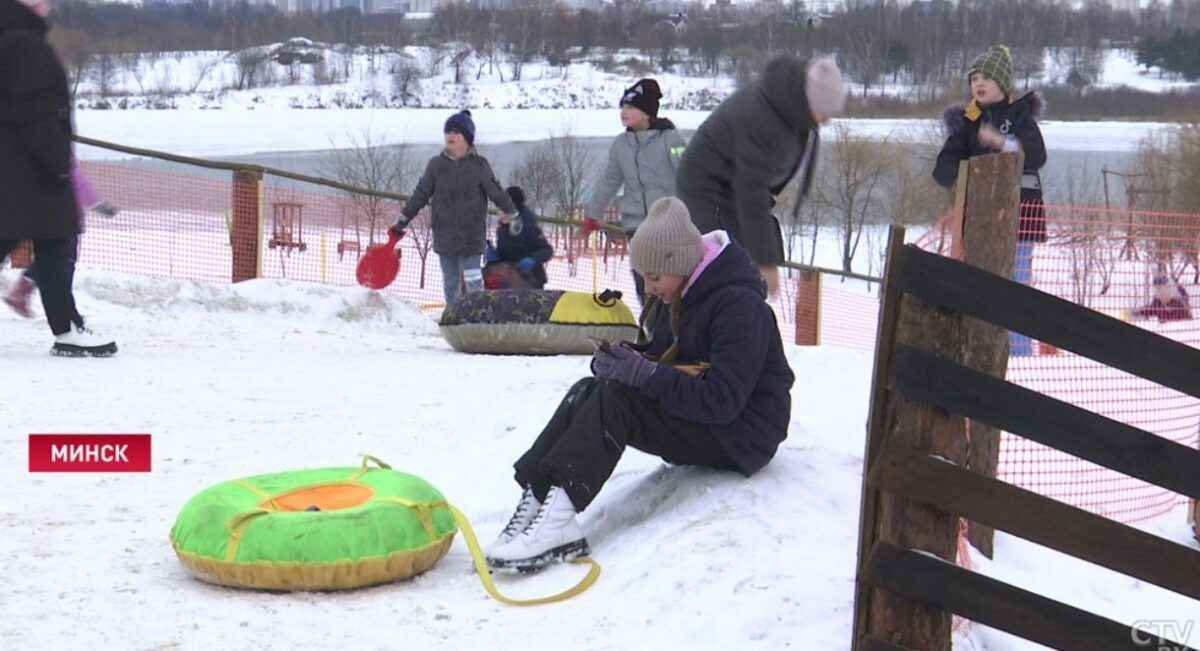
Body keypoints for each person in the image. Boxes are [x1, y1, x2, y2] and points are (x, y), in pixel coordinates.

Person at [485, 197, 795, 573]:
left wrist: (643, 375)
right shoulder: (679, 292)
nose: (649, 287)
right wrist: (623, 362)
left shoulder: (739, 307)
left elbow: (724, 400)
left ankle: (560, 522)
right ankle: (537, 503)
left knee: (617, 402)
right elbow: (668, 358)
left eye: (653, 277)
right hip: (712, 420)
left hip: (744, 434)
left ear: (679, 263)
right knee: (589, 390)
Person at [675, 56, 846, 297]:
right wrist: (765, 263)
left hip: (734, 185)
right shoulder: (766, 121)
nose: (827, 120)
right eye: (824, 112)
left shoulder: (790, 102)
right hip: (706, 188)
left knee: (744, 263)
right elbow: (751, 196)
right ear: (809, 102)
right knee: (722, 266)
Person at [0, 0, 115, 356]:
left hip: (15, 165)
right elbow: (37, 113)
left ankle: (67, 330)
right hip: (30, 168)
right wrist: (59, 162)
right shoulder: (24, 44)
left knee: (49, 244)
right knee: (56, 244)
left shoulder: (13, 39)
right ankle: (66, 333)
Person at [933, 44, 1046, 356]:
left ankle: (1020, 354)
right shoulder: (969, 121)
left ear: (1002, 83)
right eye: (973, 78)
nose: (978, 83)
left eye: (986, 77)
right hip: (979, 218)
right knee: (979, 281)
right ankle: (979, 347)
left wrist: (1002, 143)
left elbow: (1037, 155)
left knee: (1016, 280)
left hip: (1021, 216)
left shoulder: (1021, 115)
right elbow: (944, 166)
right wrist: (949, 166)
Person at [391, 110, 515, 306]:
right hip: (445, 235)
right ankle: (453, 318)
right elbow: (421, 194)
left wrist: (512, 212)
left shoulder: (479, 165)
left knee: (474, 281)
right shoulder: (436, 165)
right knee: (450, 283)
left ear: (467, 138)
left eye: (456, 132)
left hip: (471, 237)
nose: (451, 135)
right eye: (448, 131)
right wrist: (403, 219)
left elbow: (495, 191)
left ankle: (477, 317)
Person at [584, 78, 686, 303]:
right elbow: (609, 181)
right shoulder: (621, 144)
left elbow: (689, 176)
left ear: (647, 113)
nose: (624, 112)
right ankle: (650, 332)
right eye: (623, 107)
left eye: (631, 107)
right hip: (636, 228)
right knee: (645, 286)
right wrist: (593, 214)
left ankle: (675, 333)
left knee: (669, 288)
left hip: (668, 228)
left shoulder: (671, 139)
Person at [5, 158, 118, 323]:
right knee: (62, 261)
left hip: (40, 214)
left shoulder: (30, 153)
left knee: (50, 258)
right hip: (62, 218)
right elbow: (77, 180)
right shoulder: (57, 150)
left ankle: (22, 293)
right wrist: (98, 204)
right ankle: (64, 313)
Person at [489, 186, 553, 290]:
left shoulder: (529, 226)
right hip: (509, 279)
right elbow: (507, 252)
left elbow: (547, 250)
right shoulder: (502, 228)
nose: (500, 212)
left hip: (530, 280)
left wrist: (533, 259)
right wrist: (495, 255)